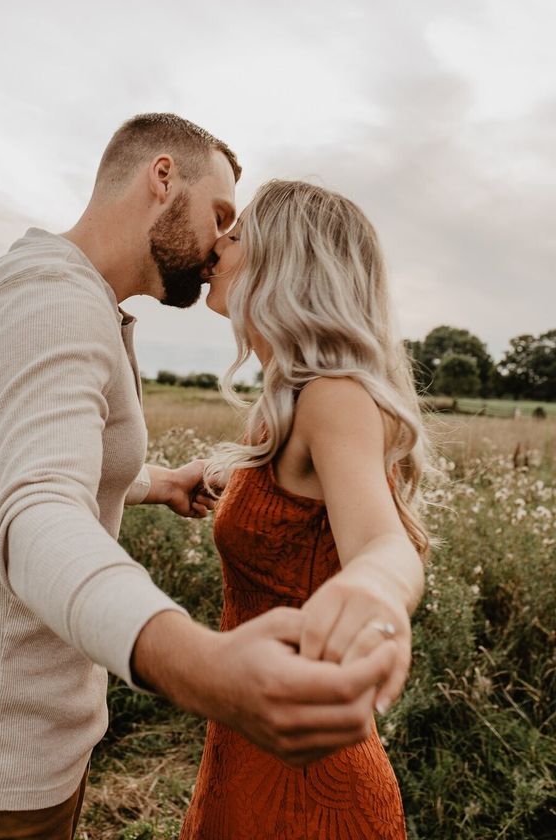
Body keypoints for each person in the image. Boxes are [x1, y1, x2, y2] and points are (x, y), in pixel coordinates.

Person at [0, 116, 397, 840]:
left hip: (18, 751)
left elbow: (46, 461)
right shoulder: (48, 301)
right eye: (219, 217)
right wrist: (198, 665)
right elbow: (39, 507)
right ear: (162, 177)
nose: (218, 244)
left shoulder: (77, 303)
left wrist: (155, 481)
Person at [181, 179, 431, 840]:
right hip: (245, 739)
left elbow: (383, 542)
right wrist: (196, 475)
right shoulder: (284, 403)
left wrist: (376, 586)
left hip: (310, 785)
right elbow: (291, 506)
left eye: (236, 236)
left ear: (285, 263)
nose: (216, 246)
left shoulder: (333, 398)